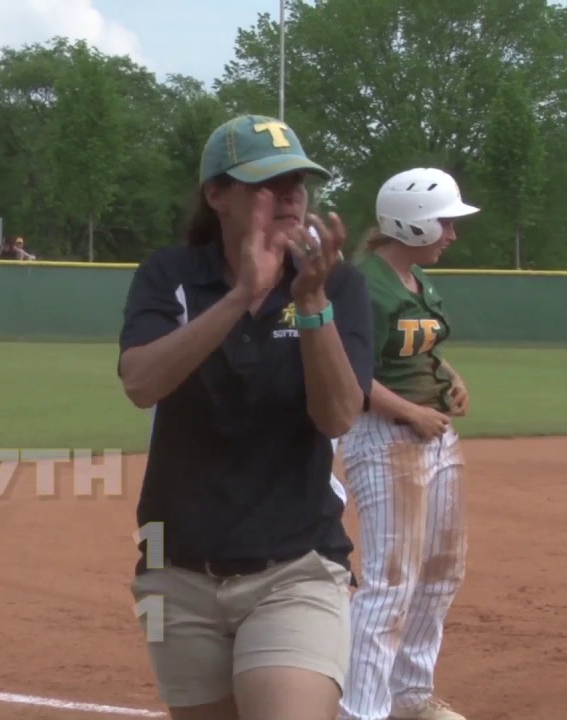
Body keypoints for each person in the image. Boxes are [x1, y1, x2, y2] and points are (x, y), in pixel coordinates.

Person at [118, 114, 376, 720]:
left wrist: (311, 305)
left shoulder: (335, 283)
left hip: (295, 567)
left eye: (299, 182)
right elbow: (140, 382)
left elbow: (338, 414)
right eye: (268, 182)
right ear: (217, 195)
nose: (290, 195)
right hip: (175, 571)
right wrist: (240, 298)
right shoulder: (172, 276)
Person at [338, 168, 478, 720]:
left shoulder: (417, 282)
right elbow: (346, 370)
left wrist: (451, 375)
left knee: (443, 567)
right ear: (413, 224)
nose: (452, 234)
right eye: (445, 223)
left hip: (433, 436)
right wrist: (410, 411)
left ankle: (410, 695)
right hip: (384, 437)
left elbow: (419, 349)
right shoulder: (361, 285)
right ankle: (361, 709)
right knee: (390, 580)